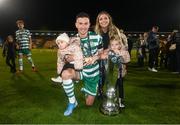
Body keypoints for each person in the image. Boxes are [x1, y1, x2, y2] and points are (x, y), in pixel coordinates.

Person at [59, 12, 103, 116]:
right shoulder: (71, 40)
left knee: (89, 104)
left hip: (93, 73)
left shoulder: (97, 37)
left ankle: (86, 89)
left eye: (85, 23)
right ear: (76, 24)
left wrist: (94, 58)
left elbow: (102, 53)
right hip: (79, 71)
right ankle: (72, 102)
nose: (83, 26)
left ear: (89, 24)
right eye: (80, 23)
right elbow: (65, 57)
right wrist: (69, 57)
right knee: (65, 74)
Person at [94, 11, 129, 100]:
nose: (103, 20)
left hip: (113, 59)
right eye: (100, 19)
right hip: (100, 59)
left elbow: (119, 46)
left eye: (106, 18)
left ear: (109, 19)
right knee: (100, 77)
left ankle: (113, 95)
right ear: (98, 21)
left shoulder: (115, 31)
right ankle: (100, 91)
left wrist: (106, 52)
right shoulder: (96, 32)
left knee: (112, 80)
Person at [101, 36, 130, 108]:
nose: (114, 46)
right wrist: (105, 55)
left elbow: (127, 60)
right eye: (112, 45)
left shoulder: (123, 52)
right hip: (110, 75)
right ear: (110, 46)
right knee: (110, 87)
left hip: (119, 75)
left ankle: (120, 100)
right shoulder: (109, 52)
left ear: (120, 45)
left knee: (120, 87)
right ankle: (110, 99)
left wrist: (120, 54)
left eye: (116, 44)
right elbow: (104, 59)